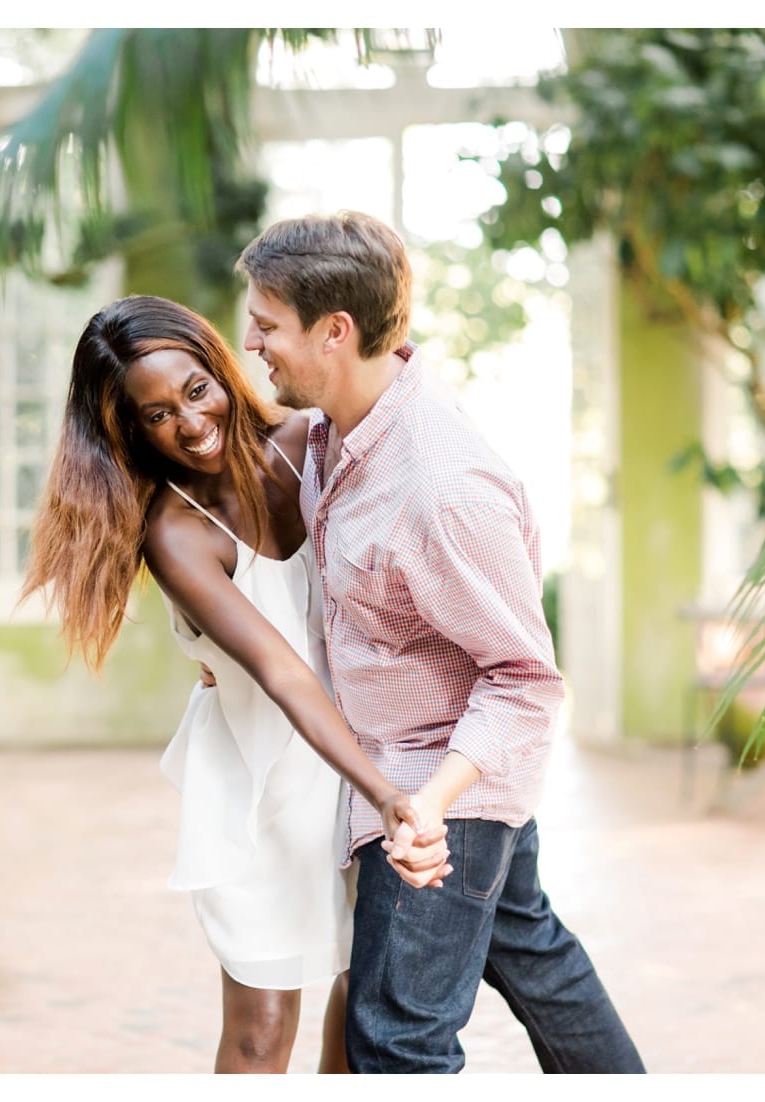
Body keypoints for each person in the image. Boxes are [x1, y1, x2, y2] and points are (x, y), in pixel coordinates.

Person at [234, 210, 645, 1074]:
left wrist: (428, 802)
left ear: (334, 332)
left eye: (267, 325)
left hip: (435, 797)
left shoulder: (442, 487)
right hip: (411, 779)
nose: (253, 341)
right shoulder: (332, 436)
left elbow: (527, 680)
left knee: (398, 1044)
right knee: (537, 962)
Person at [20, 294, 450, 1074]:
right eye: (154, 417)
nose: (189, 423)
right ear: (126, 432)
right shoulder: (176, 532)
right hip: (265, 786)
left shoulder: (312, 443)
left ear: (220, 368)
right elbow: (283, 671)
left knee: (364, 1012)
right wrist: (388, 796)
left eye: (194, 390)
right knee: (259, 1028)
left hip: (367, 761)